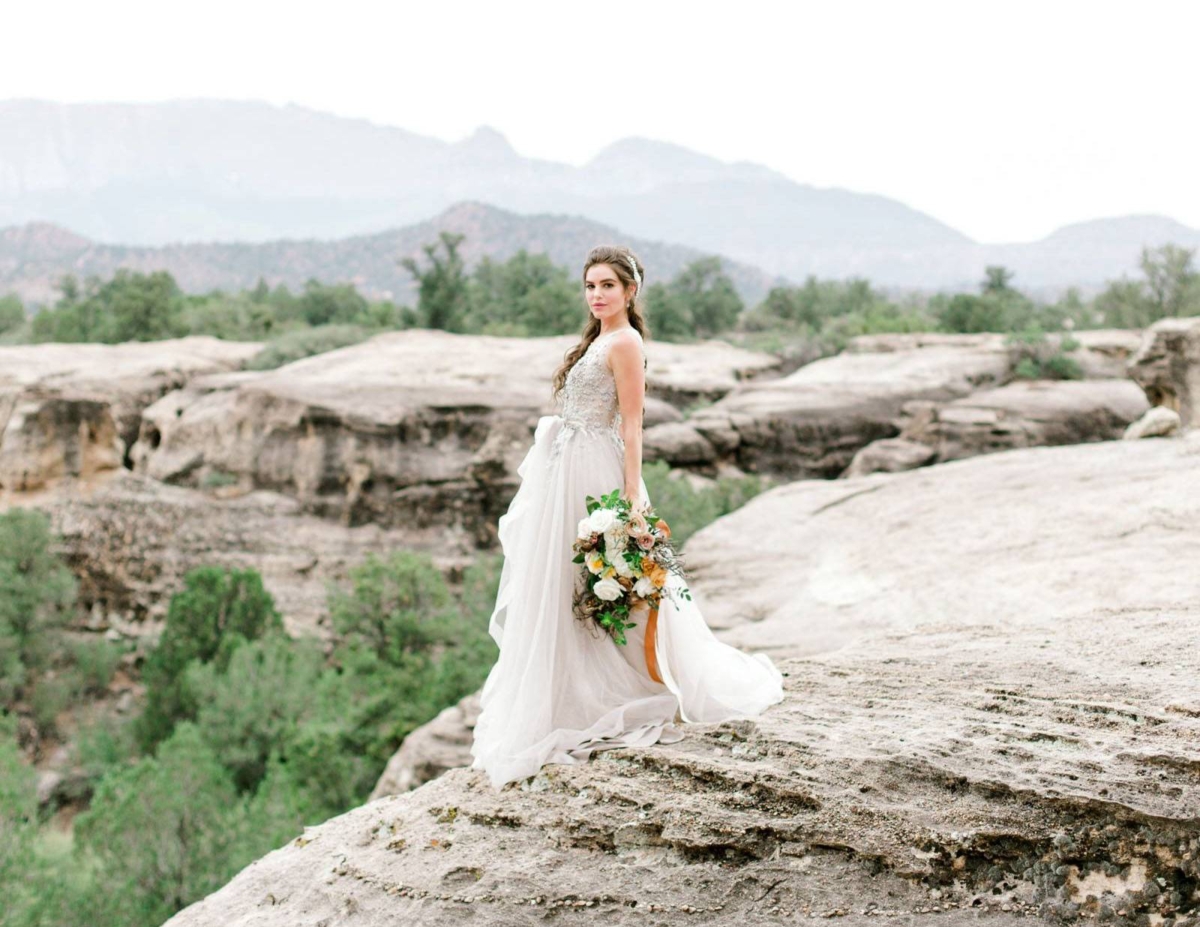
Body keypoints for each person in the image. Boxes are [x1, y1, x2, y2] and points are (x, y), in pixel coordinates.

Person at [469, 245, 784, 790]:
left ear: (630, 291)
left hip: (596, 472)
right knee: (564, 582)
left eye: (607, 286)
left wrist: (632, 495)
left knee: (610, 580)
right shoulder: (595, 340)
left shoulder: (627, 341)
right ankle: (567, 694)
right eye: (590, 286)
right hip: (563, 472)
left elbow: (632, 424)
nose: (596, 295)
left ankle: (634, 683)